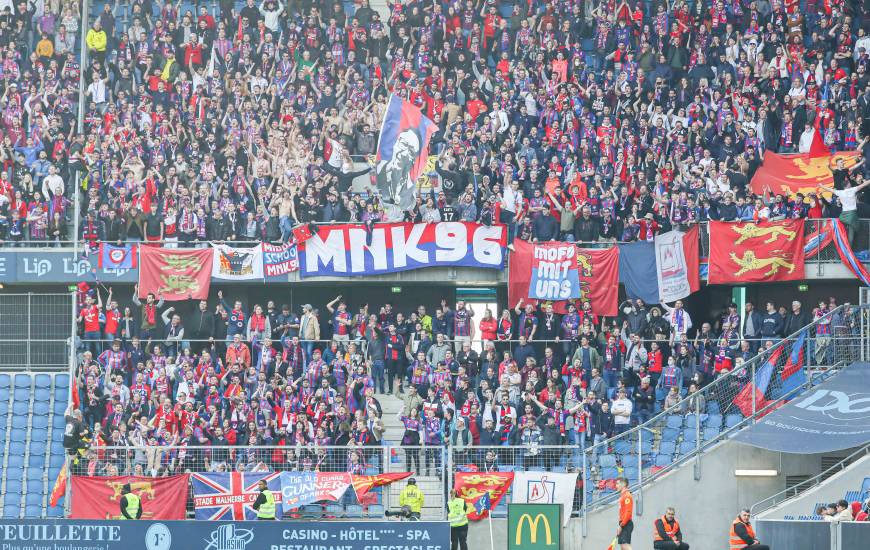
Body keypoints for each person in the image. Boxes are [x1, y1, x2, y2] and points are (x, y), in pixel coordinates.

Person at [616, 477, 633, 550]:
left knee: (625, 545)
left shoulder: (627, 496)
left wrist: (621, 525)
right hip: (623, 523)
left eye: (617, 483)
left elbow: (628, 513)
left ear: (624, 484)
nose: (616, 486)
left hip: (626, 524)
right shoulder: (623, 496)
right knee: (623, 547)